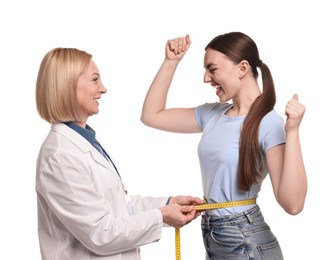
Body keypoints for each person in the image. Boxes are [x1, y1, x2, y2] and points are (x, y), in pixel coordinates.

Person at [140, 32, 307, 259]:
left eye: (212, 69)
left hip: (245, 240)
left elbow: (293, 204)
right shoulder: (212, 114)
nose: (206, 79)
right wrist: (171, 62)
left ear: (242, 68)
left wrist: (293, 132)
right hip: (214, 234)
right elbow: (151, 115)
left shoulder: (269, 123)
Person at [35, 47, 204, 260]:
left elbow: (119, 209)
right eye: (94, 80)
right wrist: (161, 216)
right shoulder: (60, 156)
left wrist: (168, 203)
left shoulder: (84, 142)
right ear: (67, 86)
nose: (103, 89)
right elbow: (101, 233)